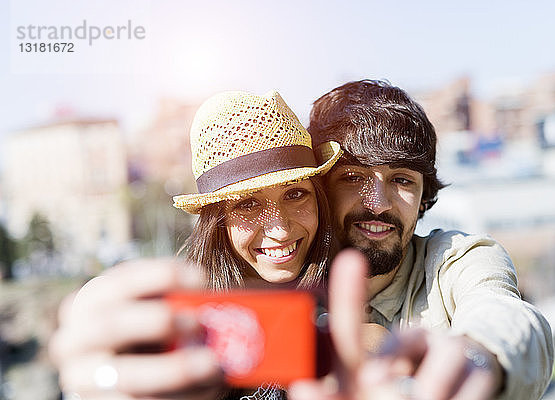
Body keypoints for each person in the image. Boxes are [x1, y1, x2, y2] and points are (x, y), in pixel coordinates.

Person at [49, 90, 343, 400]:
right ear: (216, 222)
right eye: (247, 204)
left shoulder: (356, 314)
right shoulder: (174, 326)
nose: (280, 230)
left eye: (295, 194)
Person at [288, 80, 554, 400]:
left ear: (423, 198)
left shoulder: (457, 260)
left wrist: (475, 356)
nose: (378, 203)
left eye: (401, 179)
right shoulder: (282, 270)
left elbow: (506, 313)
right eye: (352, 177)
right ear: (319, 190)